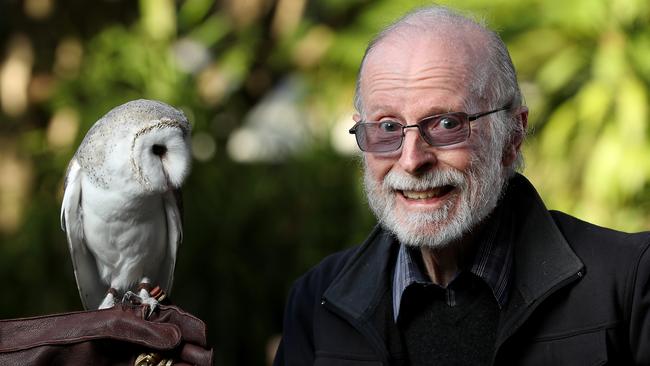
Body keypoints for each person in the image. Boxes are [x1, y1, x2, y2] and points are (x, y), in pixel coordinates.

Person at [273, 5, 650, 366]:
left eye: (446, 124)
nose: (411, 160)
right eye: (387, 127)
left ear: (513, 135)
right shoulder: (318, 299)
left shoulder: (630, 282)